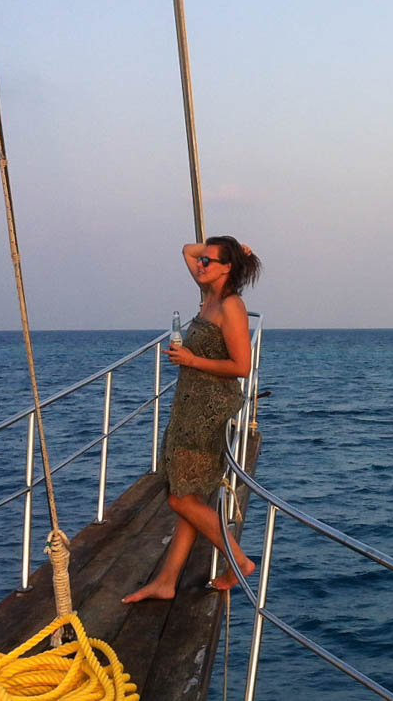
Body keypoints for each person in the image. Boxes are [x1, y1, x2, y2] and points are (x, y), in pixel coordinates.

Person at [123, 235, 262, 602]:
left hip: (208, 409)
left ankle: (240, 561)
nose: (200, 265)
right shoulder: (209, 297)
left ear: (227, 268)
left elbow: (242, 367)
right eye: (203, 262)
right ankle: (167, 580)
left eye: (209, 262)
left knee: (180, 499)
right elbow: (187, 249)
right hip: (189, 403)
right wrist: (230, 249)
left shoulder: (231, 306)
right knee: (190, 493)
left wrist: (191, 360)